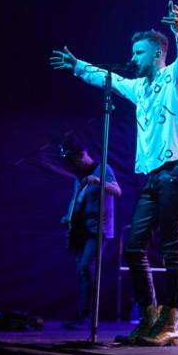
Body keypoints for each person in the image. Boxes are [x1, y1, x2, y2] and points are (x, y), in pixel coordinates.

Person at [51, 1, 178, 346]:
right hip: (154, 177)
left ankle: (171, 323)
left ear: (157, 55)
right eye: (132, 52)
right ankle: (149, 317)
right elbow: (111, 79)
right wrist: (77, 66)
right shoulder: (139, 88)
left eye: (139, 52)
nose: (132, 57)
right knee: (133, 248)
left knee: (171, 248)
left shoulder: (175, 76)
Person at [57, 135, 121, 330]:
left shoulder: (103, 169)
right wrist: (68, 216)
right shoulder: (79, 176)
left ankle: (88, 317)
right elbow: (75, 199)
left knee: (86, 267)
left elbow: (117, 191)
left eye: (73, 160)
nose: (72, 165)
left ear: (82, 154)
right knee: (82, 271)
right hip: (82, 230)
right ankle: (83, 314)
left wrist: (98, 181)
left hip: (98, 229)